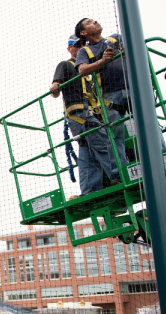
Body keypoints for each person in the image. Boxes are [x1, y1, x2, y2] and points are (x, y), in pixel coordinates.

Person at [50, 35, 107, 197]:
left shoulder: (88, 71)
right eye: (76, 45)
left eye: (82, 44)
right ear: (69, 48)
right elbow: (56, 86)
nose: (79, 47)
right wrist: (55, 86)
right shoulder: (65, 65)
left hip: (89, 113)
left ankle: (89, 191)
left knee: (87, 152)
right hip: (79, 114)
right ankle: (119, 175)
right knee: (103, 144)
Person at [74, 18, 129, 184]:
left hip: (132, 86)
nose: (95, 21)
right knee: (114, 136)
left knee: (149, 123)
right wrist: (103, 60)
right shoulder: (85, 51)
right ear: (84, 32)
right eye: (90, 22)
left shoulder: (116, 38)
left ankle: (164, 156)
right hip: (109, 96)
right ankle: (120, 174)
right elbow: (82, 70)